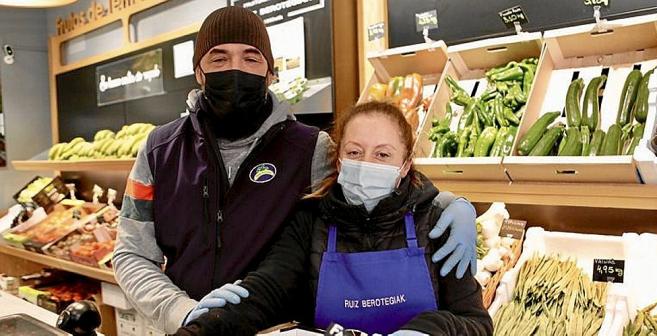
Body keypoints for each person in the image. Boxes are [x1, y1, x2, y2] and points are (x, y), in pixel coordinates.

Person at [113, 6, 478, 334]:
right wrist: (181, 312)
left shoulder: (310, 149)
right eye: (219, 58)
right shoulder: (159, 150)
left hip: (281, 329)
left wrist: (448, 202)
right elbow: (131, 253)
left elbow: (373, 191)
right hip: (187, 325)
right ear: (199, 72)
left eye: (251, 58)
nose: (235, 69)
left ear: (271, 73)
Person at [175, 102, 493, 336]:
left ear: (405, 165)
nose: (367, 162)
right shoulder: (310, 221)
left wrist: (429, 330)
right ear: (338, 160)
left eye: (383, 154)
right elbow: (266, 291)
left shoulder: (437, 223)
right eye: (355, 152)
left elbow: (477, 324)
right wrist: (208, 325)